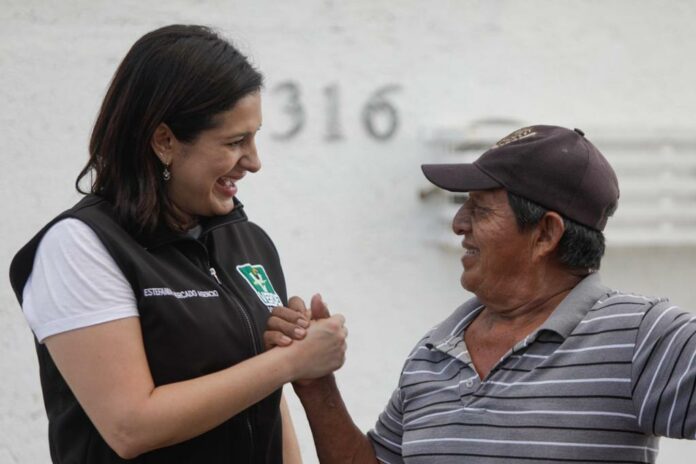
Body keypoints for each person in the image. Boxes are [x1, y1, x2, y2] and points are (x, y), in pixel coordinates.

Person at [8, 24, 347, 463]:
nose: (255, 161)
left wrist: (283, 353)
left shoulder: (247, 241)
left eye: (256, 136)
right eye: (234, 141)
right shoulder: (80, 246)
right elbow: (130, 425)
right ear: (164, 141)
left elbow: (265, 398)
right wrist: (289, 363)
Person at [266, 125, 696, 463]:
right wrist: (316, 383)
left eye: (480, 208)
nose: (458, 223)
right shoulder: (434, 353)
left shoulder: (642, 337)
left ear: (545, 233)